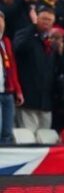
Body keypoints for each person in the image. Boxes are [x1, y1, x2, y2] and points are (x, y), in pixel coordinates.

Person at [13, 5, 60, 132]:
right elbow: (18, 48)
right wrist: (32, 27)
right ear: (36, 19)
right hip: (28, 98)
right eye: (43, 19)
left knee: (45, 138)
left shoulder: (51, 43)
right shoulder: (24, 34)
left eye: (49, 20)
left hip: (46, 101)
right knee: (28, 137)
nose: (46, 22)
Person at [0, 10, 24, 143]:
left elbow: (12, 67)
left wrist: (18, 89)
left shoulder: (6, 42)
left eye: (2, 22)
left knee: (7, 133)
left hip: (7, 92)